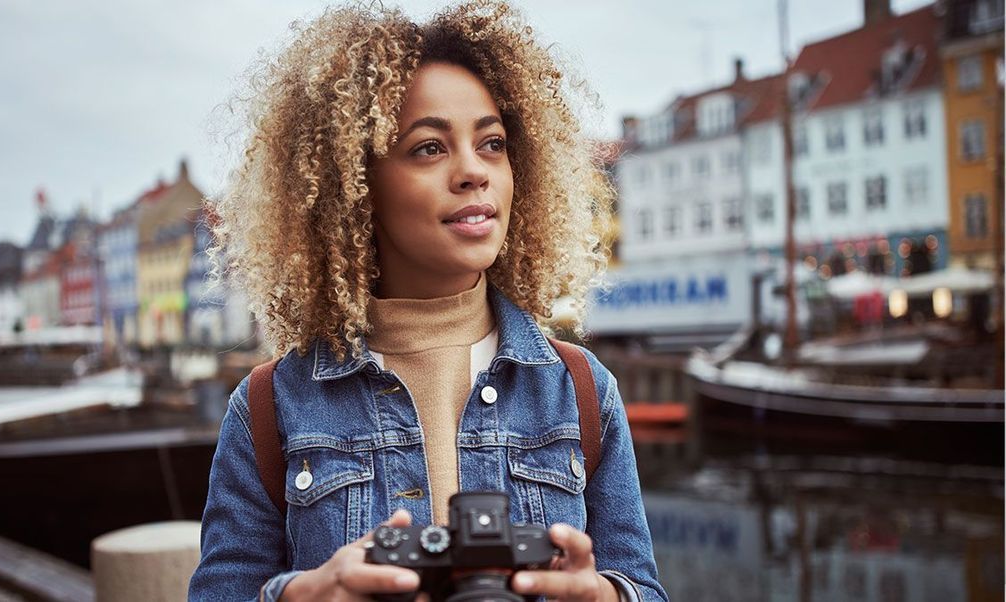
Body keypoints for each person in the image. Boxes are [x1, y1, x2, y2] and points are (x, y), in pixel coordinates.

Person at [189, 2, 668, 601]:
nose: (474, 171)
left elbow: (643, 588)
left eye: (492, 143)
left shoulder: (581, 391)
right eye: (428, 148)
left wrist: (604, 595)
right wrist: (298, 595)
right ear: (354, 185)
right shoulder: (268, 409)